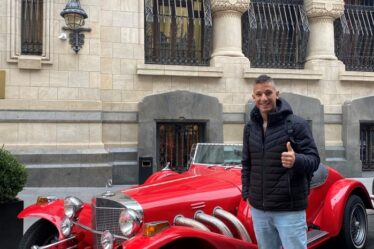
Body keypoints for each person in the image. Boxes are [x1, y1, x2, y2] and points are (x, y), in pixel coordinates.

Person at [241, 74, 320, 249]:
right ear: (253, 97)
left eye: (268, 93)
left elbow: (314, 159)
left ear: (277, 94)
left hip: (289, 210)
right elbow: (246, 163)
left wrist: (296, 160)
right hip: (259, 210)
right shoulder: (250, 128)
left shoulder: (297, 124)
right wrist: (247, 194)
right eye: (259, 94)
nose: (264, 98)